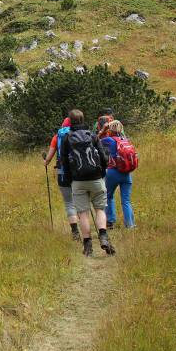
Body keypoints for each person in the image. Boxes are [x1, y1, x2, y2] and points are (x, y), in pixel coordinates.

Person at [59, 109, 115, 256]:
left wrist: (69, 178)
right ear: (83, 119)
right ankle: (103, 236)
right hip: (96, 178)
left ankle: (88, 246)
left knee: (83, 213)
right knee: (100, 209)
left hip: (78, 181)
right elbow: (103, 157)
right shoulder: (92, 135)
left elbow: (63, 162)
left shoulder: (66, 138)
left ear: (70, 122)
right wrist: (102, 173)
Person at [43, 117, 79, 240]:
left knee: (69, 203)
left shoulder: (57, 137)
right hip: (79, 173)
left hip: (63, 172)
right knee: (80, 200)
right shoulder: (80, 134)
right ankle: (85, 225)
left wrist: (45, 162)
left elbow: (48, 158)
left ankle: (75, 231)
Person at [99, 120, 136, 229]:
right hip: (126, 173)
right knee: (126, 200)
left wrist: (103, 130)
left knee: (108, 196)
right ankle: (130, 225)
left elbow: (95, 139)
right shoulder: (126, 140)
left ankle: (110, 221)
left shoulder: (109, 140)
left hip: (113, 172)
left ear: (110, 130)